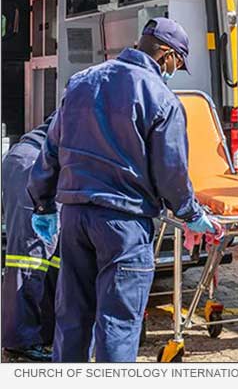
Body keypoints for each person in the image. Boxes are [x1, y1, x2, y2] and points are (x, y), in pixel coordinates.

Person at [27, 18, 215, 363]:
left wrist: (42, 204)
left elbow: (52, 148)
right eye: (178, 63)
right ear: (167, 55)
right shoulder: (162, 99)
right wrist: (191, 213)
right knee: (117, 323)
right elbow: (171, 172)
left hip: (75, 218)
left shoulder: (82, 82)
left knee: (72, 317)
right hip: (124, 225)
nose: (175, 71)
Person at [1, 113, 58, 362]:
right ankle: (20, 339)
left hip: (42, 165)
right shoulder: (90, 99)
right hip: (32, 164)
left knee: (54, 256)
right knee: (28, 256)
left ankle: (45, 331)